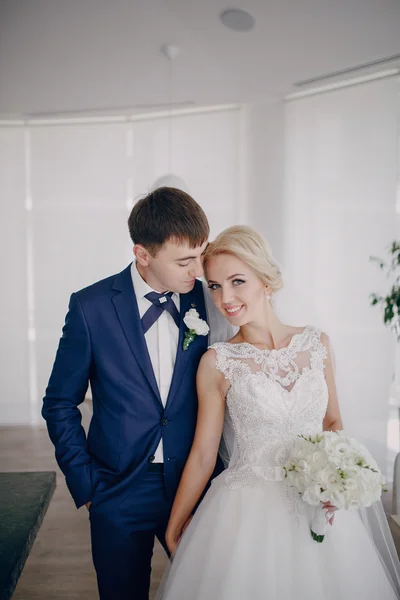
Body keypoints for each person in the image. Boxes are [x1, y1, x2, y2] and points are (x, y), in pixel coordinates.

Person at [158, 225, 400, 600]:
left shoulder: (316, 343)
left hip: (316, 502)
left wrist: (335, 478)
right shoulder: (218, 362)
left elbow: (332, 422)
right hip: (246, 510)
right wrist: (174, 526)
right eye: (216, 286)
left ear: (266, 282)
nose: (226, 298)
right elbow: (205, 453)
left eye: (238, 281)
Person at [41, 187, 234, 600]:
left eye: (200, 255)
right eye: (184, 261)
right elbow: (59, 403)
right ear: (143, 255)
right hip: (116, 489)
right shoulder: (90, 307)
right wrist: (88, 486)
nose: (198, 270)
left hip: (195, 482)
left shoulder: (212, 299)